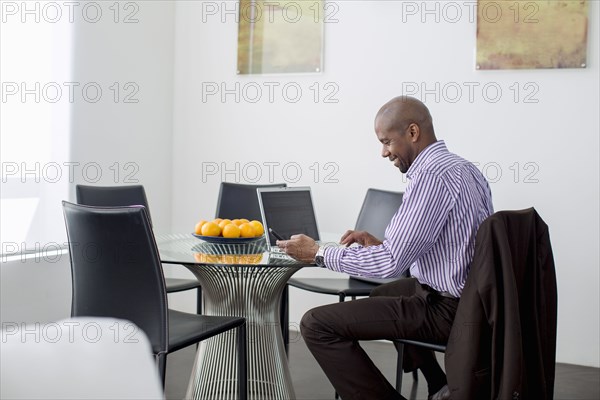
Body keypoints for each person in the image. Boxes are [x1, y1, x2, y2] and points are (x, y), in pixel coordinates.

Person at [276, 96, 494, 400]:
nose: (383, 152)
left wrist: (318, 253)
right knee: (384, 293)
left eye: (387, 141)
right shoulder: (464, 169)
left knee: (315, 324)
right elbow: (451, 245)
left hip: (450, 309)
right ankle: (438, 384)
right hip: (475, 299)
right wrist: (382, 245)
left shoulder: (431, 177)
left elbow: (390, 264)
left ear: (413, 133)